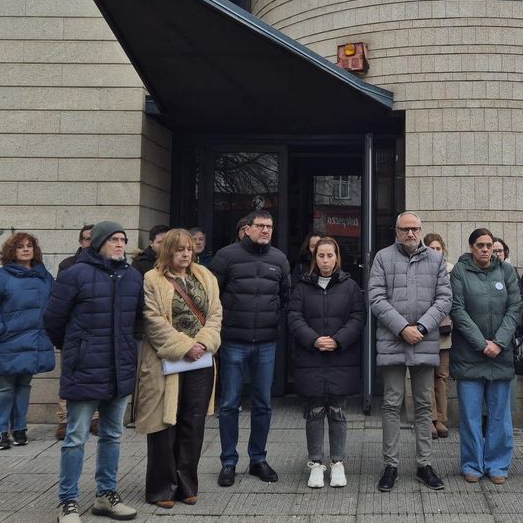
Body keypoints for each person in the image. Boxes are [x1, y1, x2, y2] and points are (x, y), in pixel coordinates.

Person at [43, 221, 144, 523]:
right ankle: (68, 501)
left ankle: (106, 494)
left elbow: (138, 320)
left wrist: (126, 349)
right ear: (98, 242)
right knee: (75, 436)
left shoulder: (132, 277)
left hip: (119, 368)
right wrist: (77, 348)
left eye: (123, 240)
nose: (119, 244)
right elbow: (52, 320)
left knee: (112, 434)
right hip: (86, 368)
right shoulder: (75, 275)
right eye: (114, 239)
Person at [135, 229, 222, 508]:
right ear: (167, 251)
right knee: (164, 423)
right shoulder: (152, 279)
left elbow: (215, 314)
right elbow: (153, 320)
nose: (186, 254)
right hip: (167, 360)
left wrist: (204, 343)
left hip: (200, 361)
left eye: (189, 249)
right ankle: (161, 488)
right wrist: (186, 346)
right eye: (179, 249)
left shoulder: (205, 276)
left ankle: (186, 485)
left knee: (192, 422)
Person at [367, 211, 451, 492]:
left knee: (425, 404)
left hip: (424, 340)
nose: (411, 234)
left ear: (421, 230)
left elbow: (445, 299)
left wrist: (423, 328)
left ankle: (424, 465)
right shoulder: (382, 258)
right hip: (393, 339)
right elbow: (376, 298)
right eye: (405, 229)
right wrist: (403, 328)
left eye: (415, 229)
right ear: (396, 231)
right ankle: (391, 465)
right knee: (391, 404)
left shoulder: (436, 259)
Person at [209, 210, 291, 487]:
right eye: (260, 226)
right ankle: (228, 461)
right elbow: (212, 298)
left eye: (270, 226)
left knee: (263, 404)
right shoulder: (226, 256)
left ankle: (258, 458)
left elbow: (285, 297)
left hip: (266, 343)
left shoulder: (279, 259)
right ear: (247, 229)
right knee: (230, 404)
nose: (266, 230)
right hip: (233, 341)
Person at [287, 237, 366, 489]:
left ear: (337, 257)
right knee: (314, 412)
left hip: (340, 357)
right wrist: (314, 340)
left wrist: (337, 340)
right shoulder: (302, 286)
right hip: (311, 356)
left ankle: (338, 463)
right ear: (314, 258)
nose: (325, 260)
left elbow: (357, 317)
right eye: (321, 256)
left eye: (330, 255)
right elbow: (294, 317)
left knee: (337, 411)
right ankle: (316, 464)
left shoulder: (350, 285)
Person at [449, 228, 522, 485]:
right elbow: (457, 309)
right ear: (471, 247)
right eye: (480, 245)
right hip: (470, 354)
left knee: (500, 415)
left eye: (489, 245)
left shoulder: (507, 272)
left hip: (500, 355)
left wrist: (499, 343)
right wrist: (482, 344)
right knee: (469, 415)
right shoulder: (460, 272)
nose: (485, 249)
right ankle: (472, 464)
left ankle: (498, 465)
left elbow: (515, 308)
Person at [0, 231, 55, 450]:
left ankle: (19, 428)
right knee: (4, 388)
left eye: (29, 245)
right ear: (12, 251)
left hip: (34, 341)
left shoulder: (44, 276)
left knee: (23, 385)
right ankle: (0, 432)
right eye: (20, 246)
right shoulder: (1, 276)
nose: (25, 249)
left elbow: (56, 302)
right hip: (7, 341)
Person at [55, 224, 96, 440]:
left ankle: (96, 418)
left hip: (98, 331)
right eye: (86, 239)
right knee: (68, 374)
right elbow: (60, 302)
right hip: (74, 330)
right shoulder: (68, 265)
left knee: (96, 374)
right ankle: (64, 419)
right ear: (81, 242)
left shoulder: (110, 265)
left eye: (94, 238)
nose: (90, 242)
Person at [423, 232, 454, 439]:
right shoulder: (420, 270)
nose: (435, 252)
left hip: (444, 332)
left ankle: (442, 419)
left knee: (441, 376)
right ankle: (430, 419)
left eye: (438, 248)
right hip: (424, 330)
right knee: (426, 376)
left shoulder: (452, 270)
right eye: (431, 248)